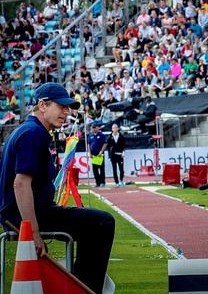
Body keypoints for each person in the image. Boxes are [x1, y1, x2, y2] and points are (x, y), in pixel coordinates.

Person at [0, 83, 115, 293]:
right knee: (102, 223)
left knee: (96, 224)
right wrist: (32, 231)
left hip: (28, 211)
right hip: (24, 216)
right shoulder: (32, 133)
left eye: (68, 107)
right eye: (61, 106)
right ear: (42, 105)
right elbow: (20, 183)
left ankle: (79, 286)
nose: (66, 112)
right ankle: (83, 289)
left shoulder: (31, 131)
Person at [87, 121, 108, 188]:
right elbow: (89, 144)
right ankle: (97, 182)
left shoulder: (101, 135)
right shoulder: (90, 135)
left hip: (100, 155)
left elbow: (105, 143)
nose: (93, 129)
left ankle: (102, 182)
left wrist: (101, 151)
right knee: (95, 170)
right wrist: (89, 153)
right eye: (92, 128)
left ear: (97, 128)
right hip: (94, 155)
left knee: (101, 169)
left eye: (94, 127)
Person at [106, 123, 126, 187]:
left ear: (118, 128)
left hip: (120, 155)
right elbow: (108, 147)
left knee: (121, 169)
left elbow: (124, 145)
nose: (115, 129)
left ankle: (121, 180)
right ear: (112, 129)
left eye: (116, 128)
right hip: (113, 155)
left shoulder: (121, 136)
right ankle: (116, 182)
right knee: (114, 169)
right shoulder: (109, 137)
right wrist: (109, 155)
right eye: (114, 128)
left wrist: (123, 152)